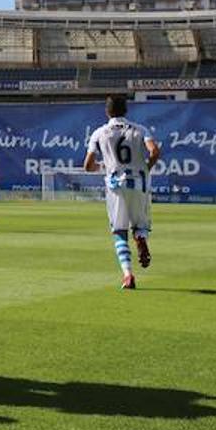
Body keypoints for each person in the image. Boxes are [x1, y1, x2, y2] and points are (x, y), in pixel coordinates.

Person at [83, 95, 160, 289]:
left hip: (115, 185)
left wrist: (102, 166)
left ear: (107, 111)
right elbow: (154, 151)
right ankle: (140, 238)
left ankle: (128, 274)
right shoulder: (140, 130)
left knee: (119, 231)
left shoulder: (99, 133)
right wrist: (146, 168)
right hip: (139, 183)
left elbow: (88, 165)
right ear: (126, 110)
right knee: (140, 226)